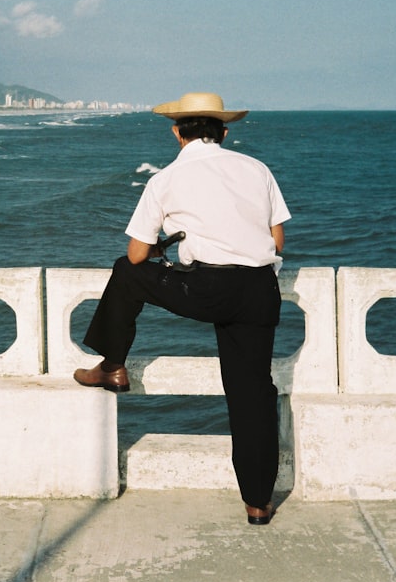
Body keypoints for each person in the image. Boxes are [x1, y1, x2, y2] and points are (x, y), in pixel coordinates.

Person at [73, 92, 290, 525]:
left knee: (126, 272)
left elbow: (136, 255)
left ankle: (112, 365)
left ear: (177, 134)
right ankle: (258, 502)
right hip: (260, 290)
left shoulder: (165, 179)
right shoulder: (257, 169)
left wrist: (167, 246)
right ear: (224, 133)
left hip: (207, 288)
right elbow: (277, 242)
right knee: (252, 394)